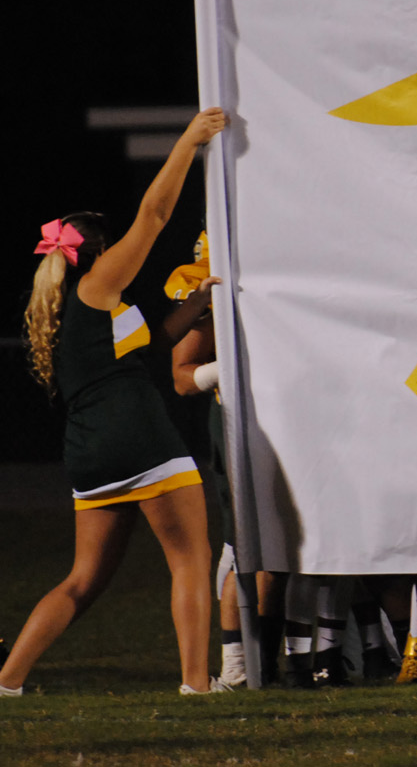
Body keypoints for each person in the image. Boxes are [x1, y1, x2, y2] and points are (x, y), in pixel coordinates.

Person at [2, 108, 230, 696]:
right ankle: (196, 685)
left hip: (88, 453)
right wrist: (189, 142)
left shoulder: (70, 311)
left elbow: (155, 342)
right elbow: (154, 215)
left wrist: (200, 302)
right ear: (98, 253)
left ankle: (7, 682)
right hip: (140, 437)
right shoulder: (97, 286)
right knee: (189, 559)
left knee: (83, 580)